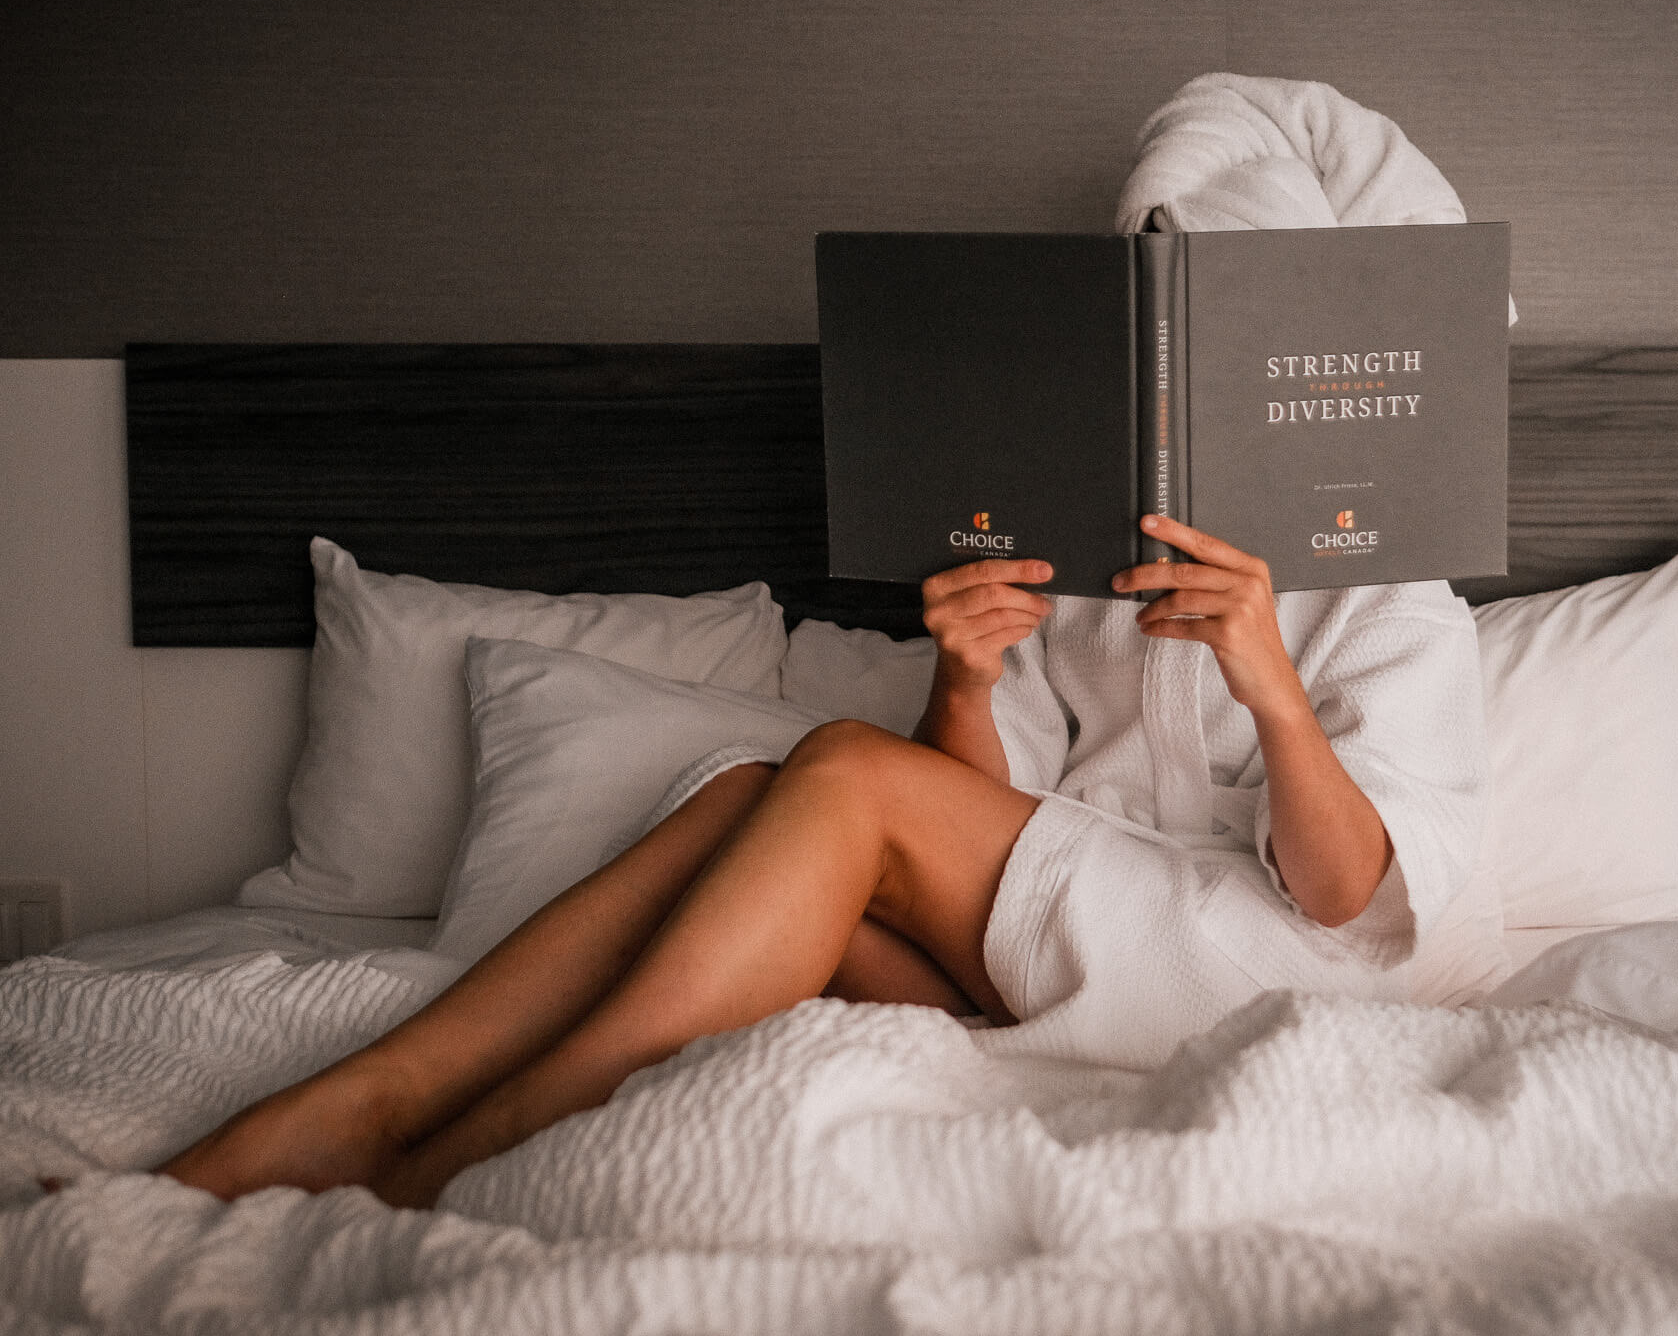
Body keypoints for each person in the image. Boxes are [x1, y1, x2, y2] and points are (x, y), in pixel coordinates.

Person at [155, 512, 1485, 1208]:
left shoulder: (1391, 583)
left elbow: (1342, 896)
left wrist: (1272, 686)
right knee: (751, 789)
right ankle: (370, 1099)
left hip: (1269, 976)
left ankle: (441, 1156)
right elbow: (964, 831)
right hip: (1067, 965)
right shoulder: (1079, 555)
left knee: (839, 768)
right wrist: (967, 678)